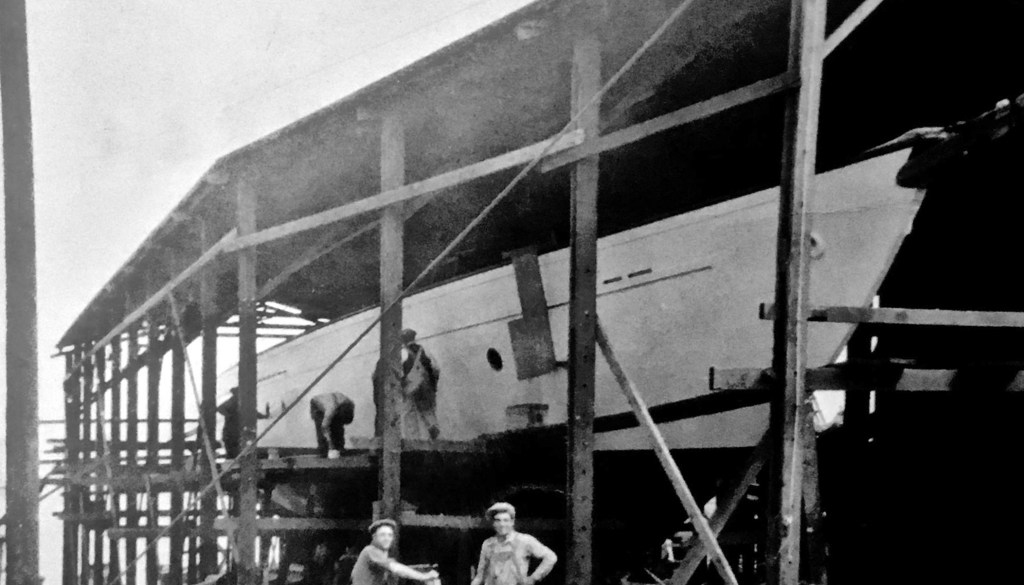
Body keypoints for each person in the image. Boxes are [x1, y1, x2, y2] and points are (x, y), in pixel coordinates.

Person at [372, 328, 441, 440]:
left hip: (410, 387)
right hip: (425, 386)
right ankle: (434, 433)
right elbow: (436, 368)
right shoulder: (424, 350)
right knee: (427, 411)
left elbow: (398, 373)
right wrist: (433, 386)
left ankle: (414, 440)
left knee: (409, 412)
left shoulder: (402, 352)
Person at [472, 503, 557, 585]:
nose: (502, 524)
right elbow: (480, 576)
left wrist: (533, 578)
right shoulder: (488, 544)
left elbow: (550, 557)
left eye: (506, 520)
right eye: (498, 520)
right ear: (493, 523)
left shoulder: (524, 540)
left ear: (512, 522)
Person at [350, 519, 439, 585]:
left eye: (390, 535)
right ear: (374, 537)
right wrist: (424, 576)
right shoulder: (370, 551)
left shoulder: (380, 558)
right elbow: (396, 568)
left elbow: (399, 570)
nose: (387, 538)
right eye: (382, 535)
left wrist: (423, 570)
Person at [310, 392, 355, 457]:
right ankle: (324, 452)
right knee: (321, 429)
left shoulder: (349, 404)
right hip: (316, 404)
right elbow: (324, 427)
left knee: (337, 426)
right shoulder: (331, 409)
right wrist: (331, 445)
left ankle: (339, 449)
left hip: (333, 402)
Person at [217, 387, 241, 459]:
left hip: (234, 433)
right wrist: (229, 415)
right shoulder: (233, 401)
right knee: (232, 453)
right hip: (230, 433)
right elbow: (220, 408)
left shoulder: (241, 401)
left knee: (234, 453)